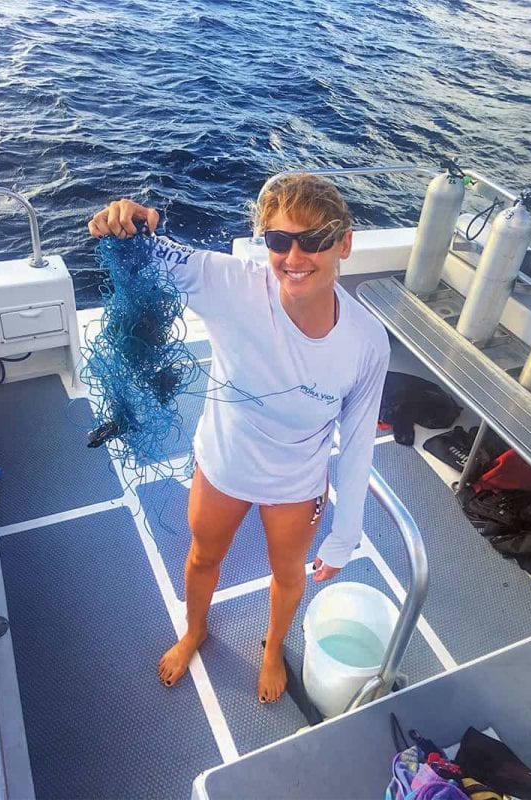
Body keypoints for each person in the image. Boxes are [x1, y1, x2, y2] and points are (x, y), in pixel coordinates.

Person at [88, 173, 390, 703]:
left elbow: (359, 439)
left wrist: (346, 533)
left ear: (344, 242)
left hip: (297, 482)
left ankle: (272, 649)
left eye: (314, 239)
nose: (294, 256)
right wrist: (127, 224)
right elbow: (148, 248)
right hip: (222, 466)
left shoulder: (368, 342)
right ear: (264, 244)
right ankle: (195, 631)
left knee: (288, 573)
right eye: (279, 240)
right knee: (203, 556)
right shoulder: (231, 284)